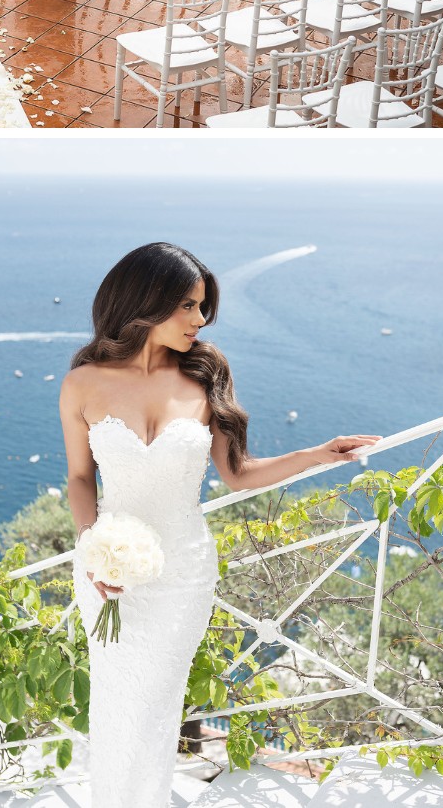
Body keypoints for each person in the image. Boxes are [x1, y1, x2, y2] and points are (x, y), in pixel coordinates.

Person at [59, 242, 379, 808]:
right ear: (145, 300)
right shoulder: (84, 382)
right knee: (115, 700)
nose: (199, 319)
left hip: (182, 572)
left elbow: (238, 473)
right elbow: (81, 480)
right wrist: (93, 550)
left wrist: (319, 453)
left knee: (157, 703)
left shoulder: (207, 372)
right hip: (107, 573)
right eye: (186, 304)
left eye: (203, 306)